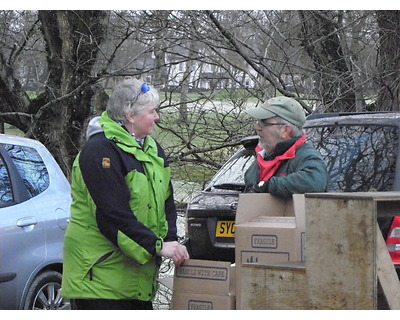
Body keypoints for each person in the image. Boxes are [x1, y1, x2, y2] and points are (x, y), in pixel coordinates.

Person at [62, 78, 189, 310]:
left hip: (135, 274)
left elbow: (167, 200)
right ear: (130, 116)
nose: (157, 117)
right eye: (152, 112)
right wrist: (157, 245)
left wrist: (170, 237)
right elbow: (111, 213)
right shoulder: (99, 151)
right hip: (99, 276)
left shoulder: (152, 148)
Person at [244, 96, 328, 199]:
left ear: (285, 131)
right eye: (258, 122)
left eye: (264, 123)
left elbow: (314, 181)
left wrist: (268, 186)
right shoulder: (264, 155)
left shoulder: (305, 156)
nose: (257, 127)